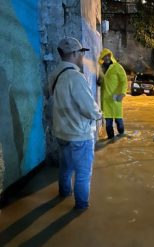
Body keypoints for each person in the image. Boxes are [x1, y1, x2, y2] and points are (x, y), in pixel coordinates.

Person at [49, 37, 102, 210]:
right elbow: (89, 108)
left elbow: (46, 93)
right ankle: (81, 206)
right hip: (79, 135)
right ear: (73, 53)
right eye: (80, 52)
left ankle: (64, 193)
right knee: (83, 174)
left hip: (61, 132)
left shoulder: (54, 75)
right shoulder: (76, 77)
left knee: (65, 167)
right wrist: (99, 114)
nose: (81, 56)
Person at [98, 48, 128, 139]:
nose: (107, 57)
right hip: (106, 100)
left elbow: (124, 81)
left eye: (108, 55)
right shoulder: (101, 68)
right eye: (104, 56)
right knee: (108, 124)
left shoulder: (117, 67)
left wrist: (122, 94)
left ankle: (121, 139)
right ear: (102, 58)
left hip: (116, 99)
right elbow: (99, 83)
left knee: (119, 121)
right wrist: (99, 79)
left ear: (111, 56)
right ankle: (110, 141)